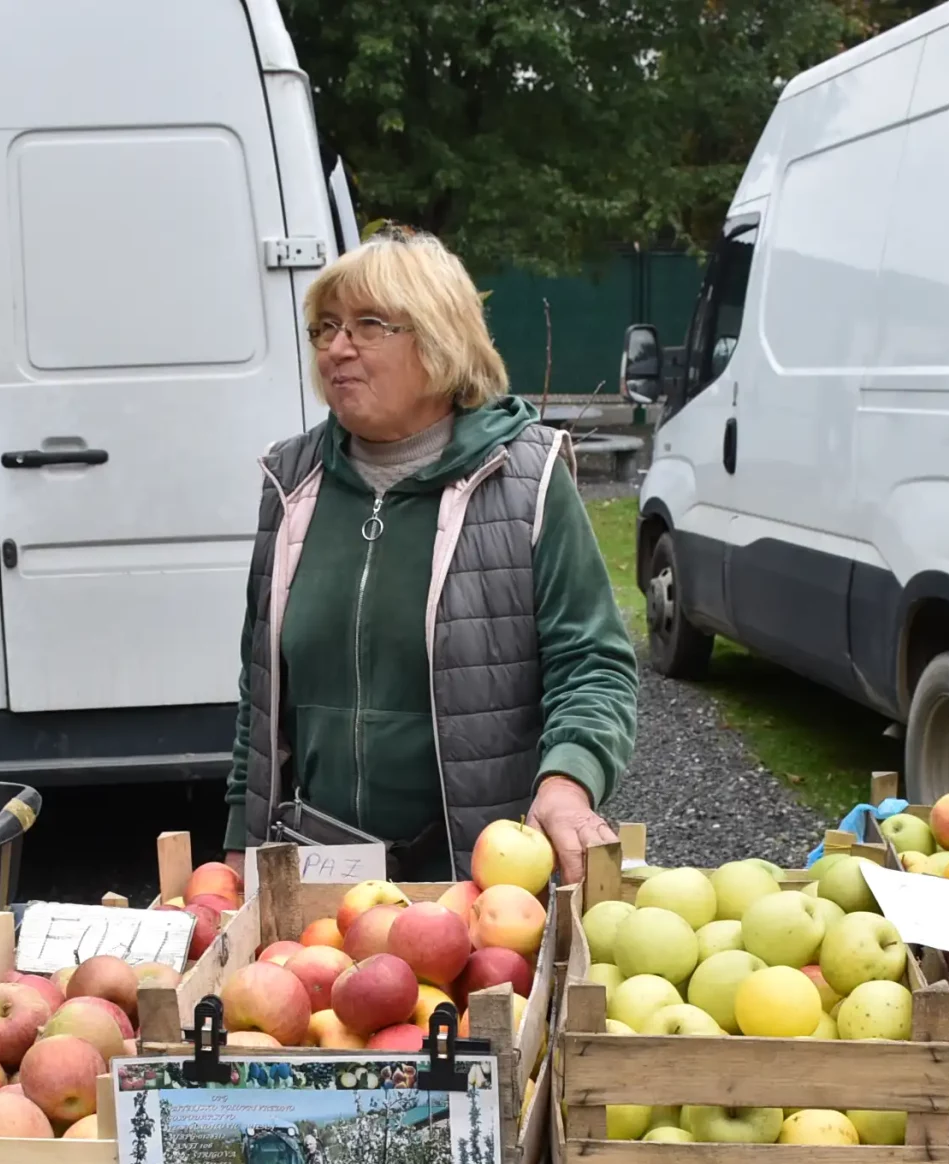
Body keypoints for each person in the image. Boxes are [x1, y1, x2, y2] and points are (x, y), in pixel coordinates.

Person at [223, 228, 639, 888]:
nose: (336, 348)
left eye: (368, 325)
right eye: (325, 327)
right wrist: (241, 849)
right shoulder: (292, 483)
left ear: (439, 339)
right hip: (326, 886)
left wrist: (569, 781)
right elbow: (262, 691)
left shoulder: (525, 480)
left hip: (486, 887)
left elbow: (592, 663)